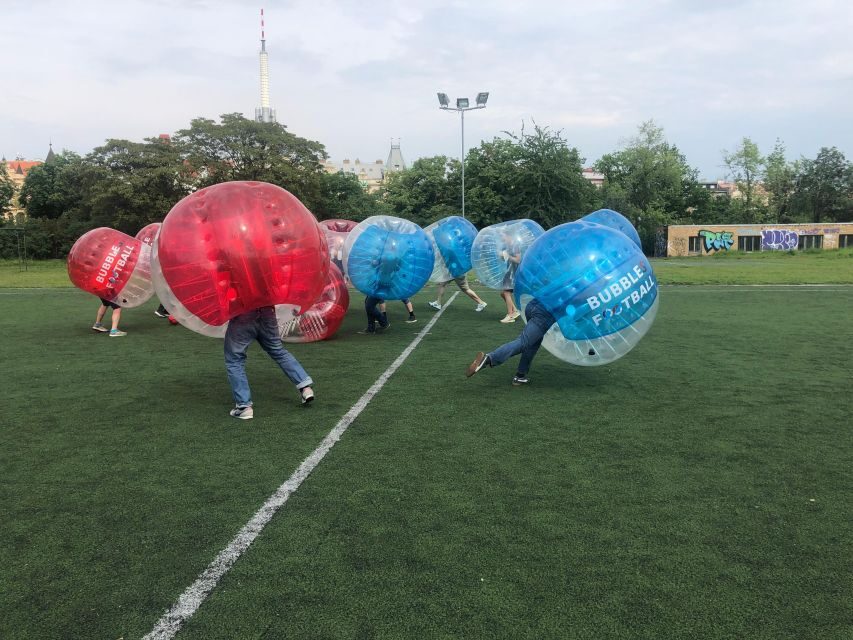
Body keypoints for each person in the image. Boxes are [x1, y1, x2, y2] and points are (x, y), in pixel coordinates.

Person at [224, 306, 315, 419]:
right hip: (267, 312)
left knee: (234, 360)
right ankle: (305, 387)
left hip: (242, 313)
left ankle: (244, 407)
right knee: (278, 351)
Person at [465, 298, 556, 386]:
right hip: (545, 313)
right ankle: (488, 358)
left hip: (533, 305)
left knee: (533, 342)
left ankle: (520, 375)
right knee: (523, 342)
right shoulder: (569, 288)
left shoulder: (562, 282)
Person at [499, 232, 522, 323]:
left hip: (515, 272)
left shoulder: (515, 245)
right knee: (503, 293)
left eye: (502, 235)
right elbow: (505, 259)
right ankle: (515, 311)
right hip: (510, 271)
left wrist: (507, 256)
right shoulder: (506, 246)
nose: (501, 238)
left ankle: (510, 315)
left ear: (508, 235)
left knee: (506, 292)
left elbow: (518, 260)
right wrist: (502, 256)